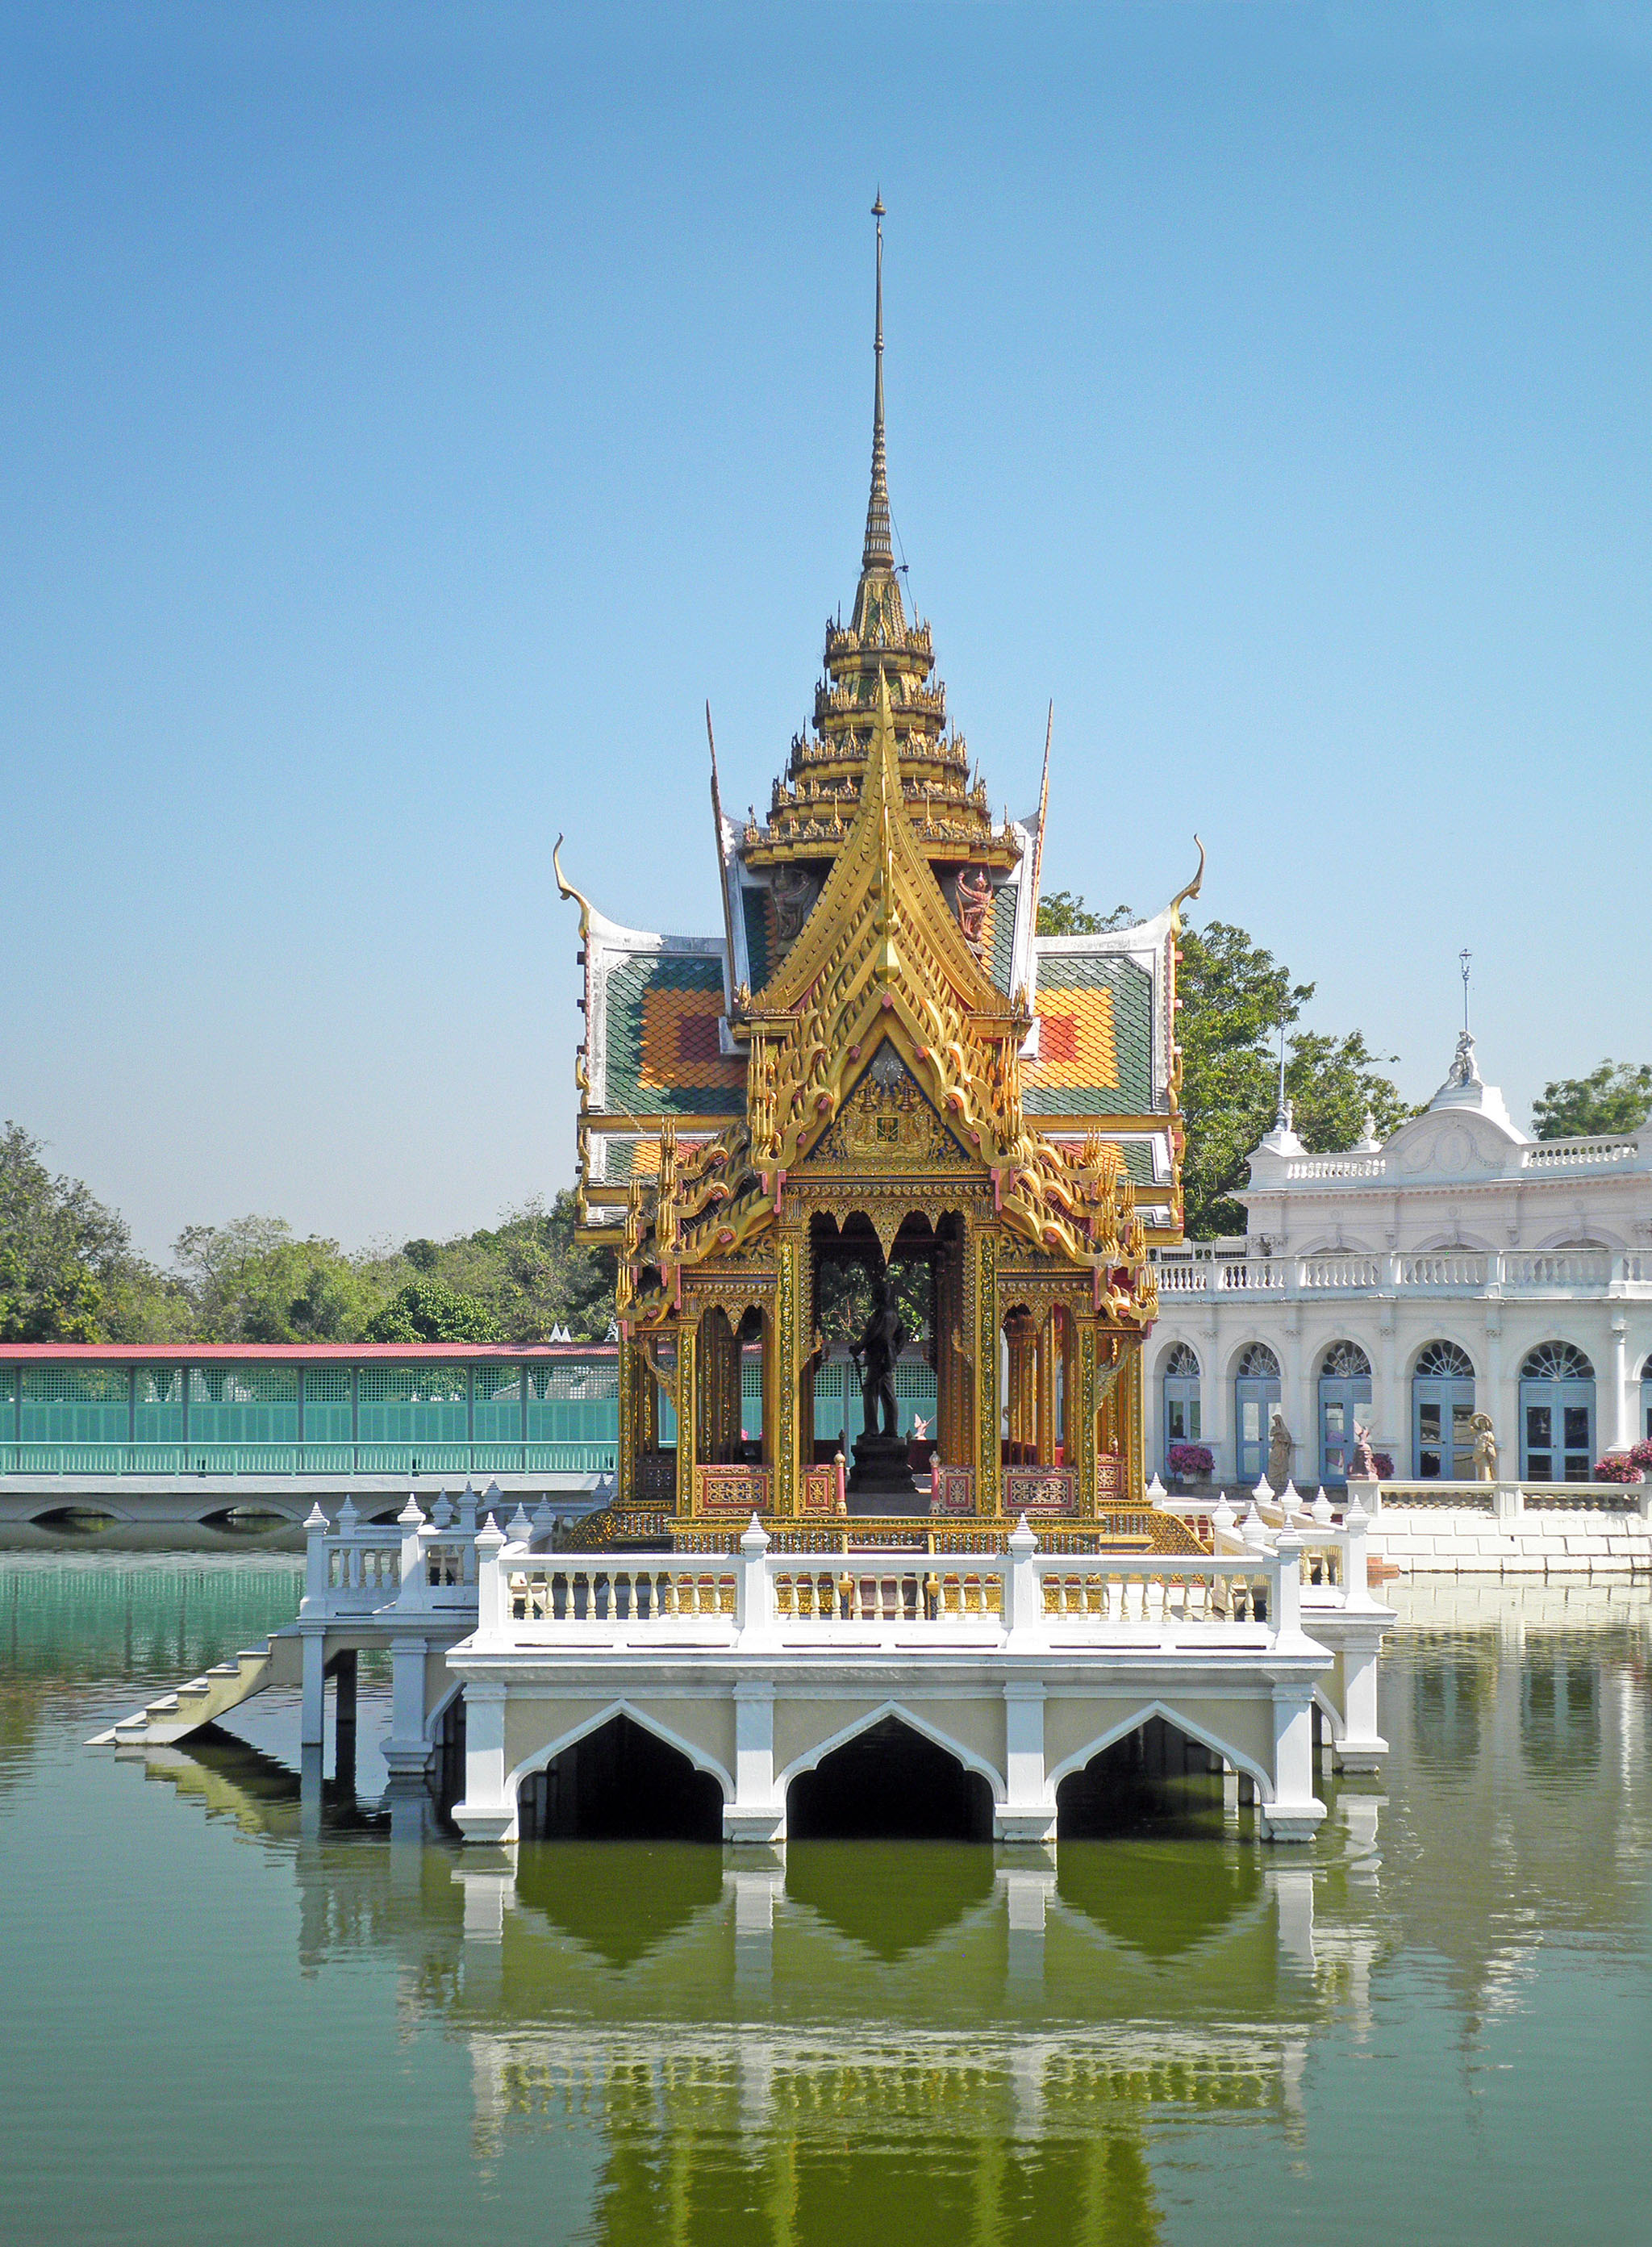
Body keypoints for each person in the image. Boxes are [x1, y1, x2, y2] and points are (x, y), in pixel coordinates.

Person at [849, 1269, 906, 1440]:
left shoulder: (881, 1314)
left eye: (875, 1294)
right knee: (886, 1393)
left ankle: (873, 1429)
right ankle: (889, 1428)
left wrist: (858, 1348)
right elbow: (902, 1336)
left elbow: (870, 1334)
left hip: (879, 1358)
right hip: (885, 1357)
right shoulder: (894, 1314)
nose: (873, 1297)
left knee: (871, 1392)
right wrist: (894, 1351)